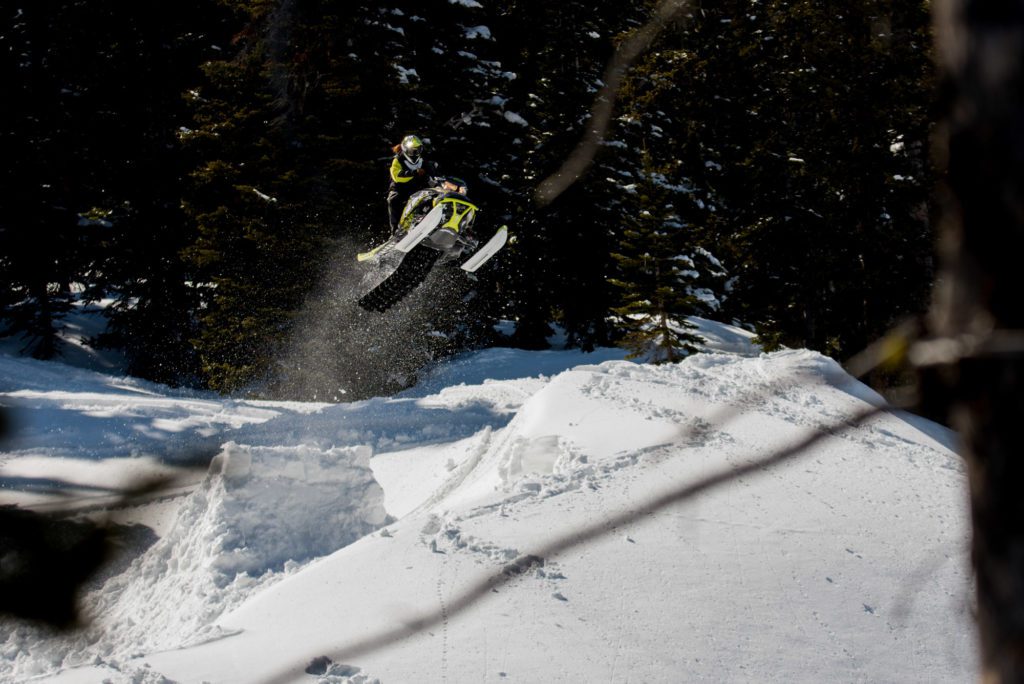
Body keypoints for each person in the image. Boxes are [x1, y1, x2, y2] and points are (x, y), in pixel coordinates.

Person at [386, 134, 436, 233]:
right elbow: (396, 176)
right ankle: (395, 230)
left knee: (434, 195)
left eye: (418, 150)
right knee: (393, 200)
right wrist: (414, 173)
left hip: (418, 188)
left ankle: (434, 220)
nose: (415, 153)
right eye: (413, 151)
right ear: (406, 149)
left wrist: (434, 177)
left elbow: (433, 173)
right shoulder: (398, 160)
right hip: (401, 189)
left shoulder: (423, 160)